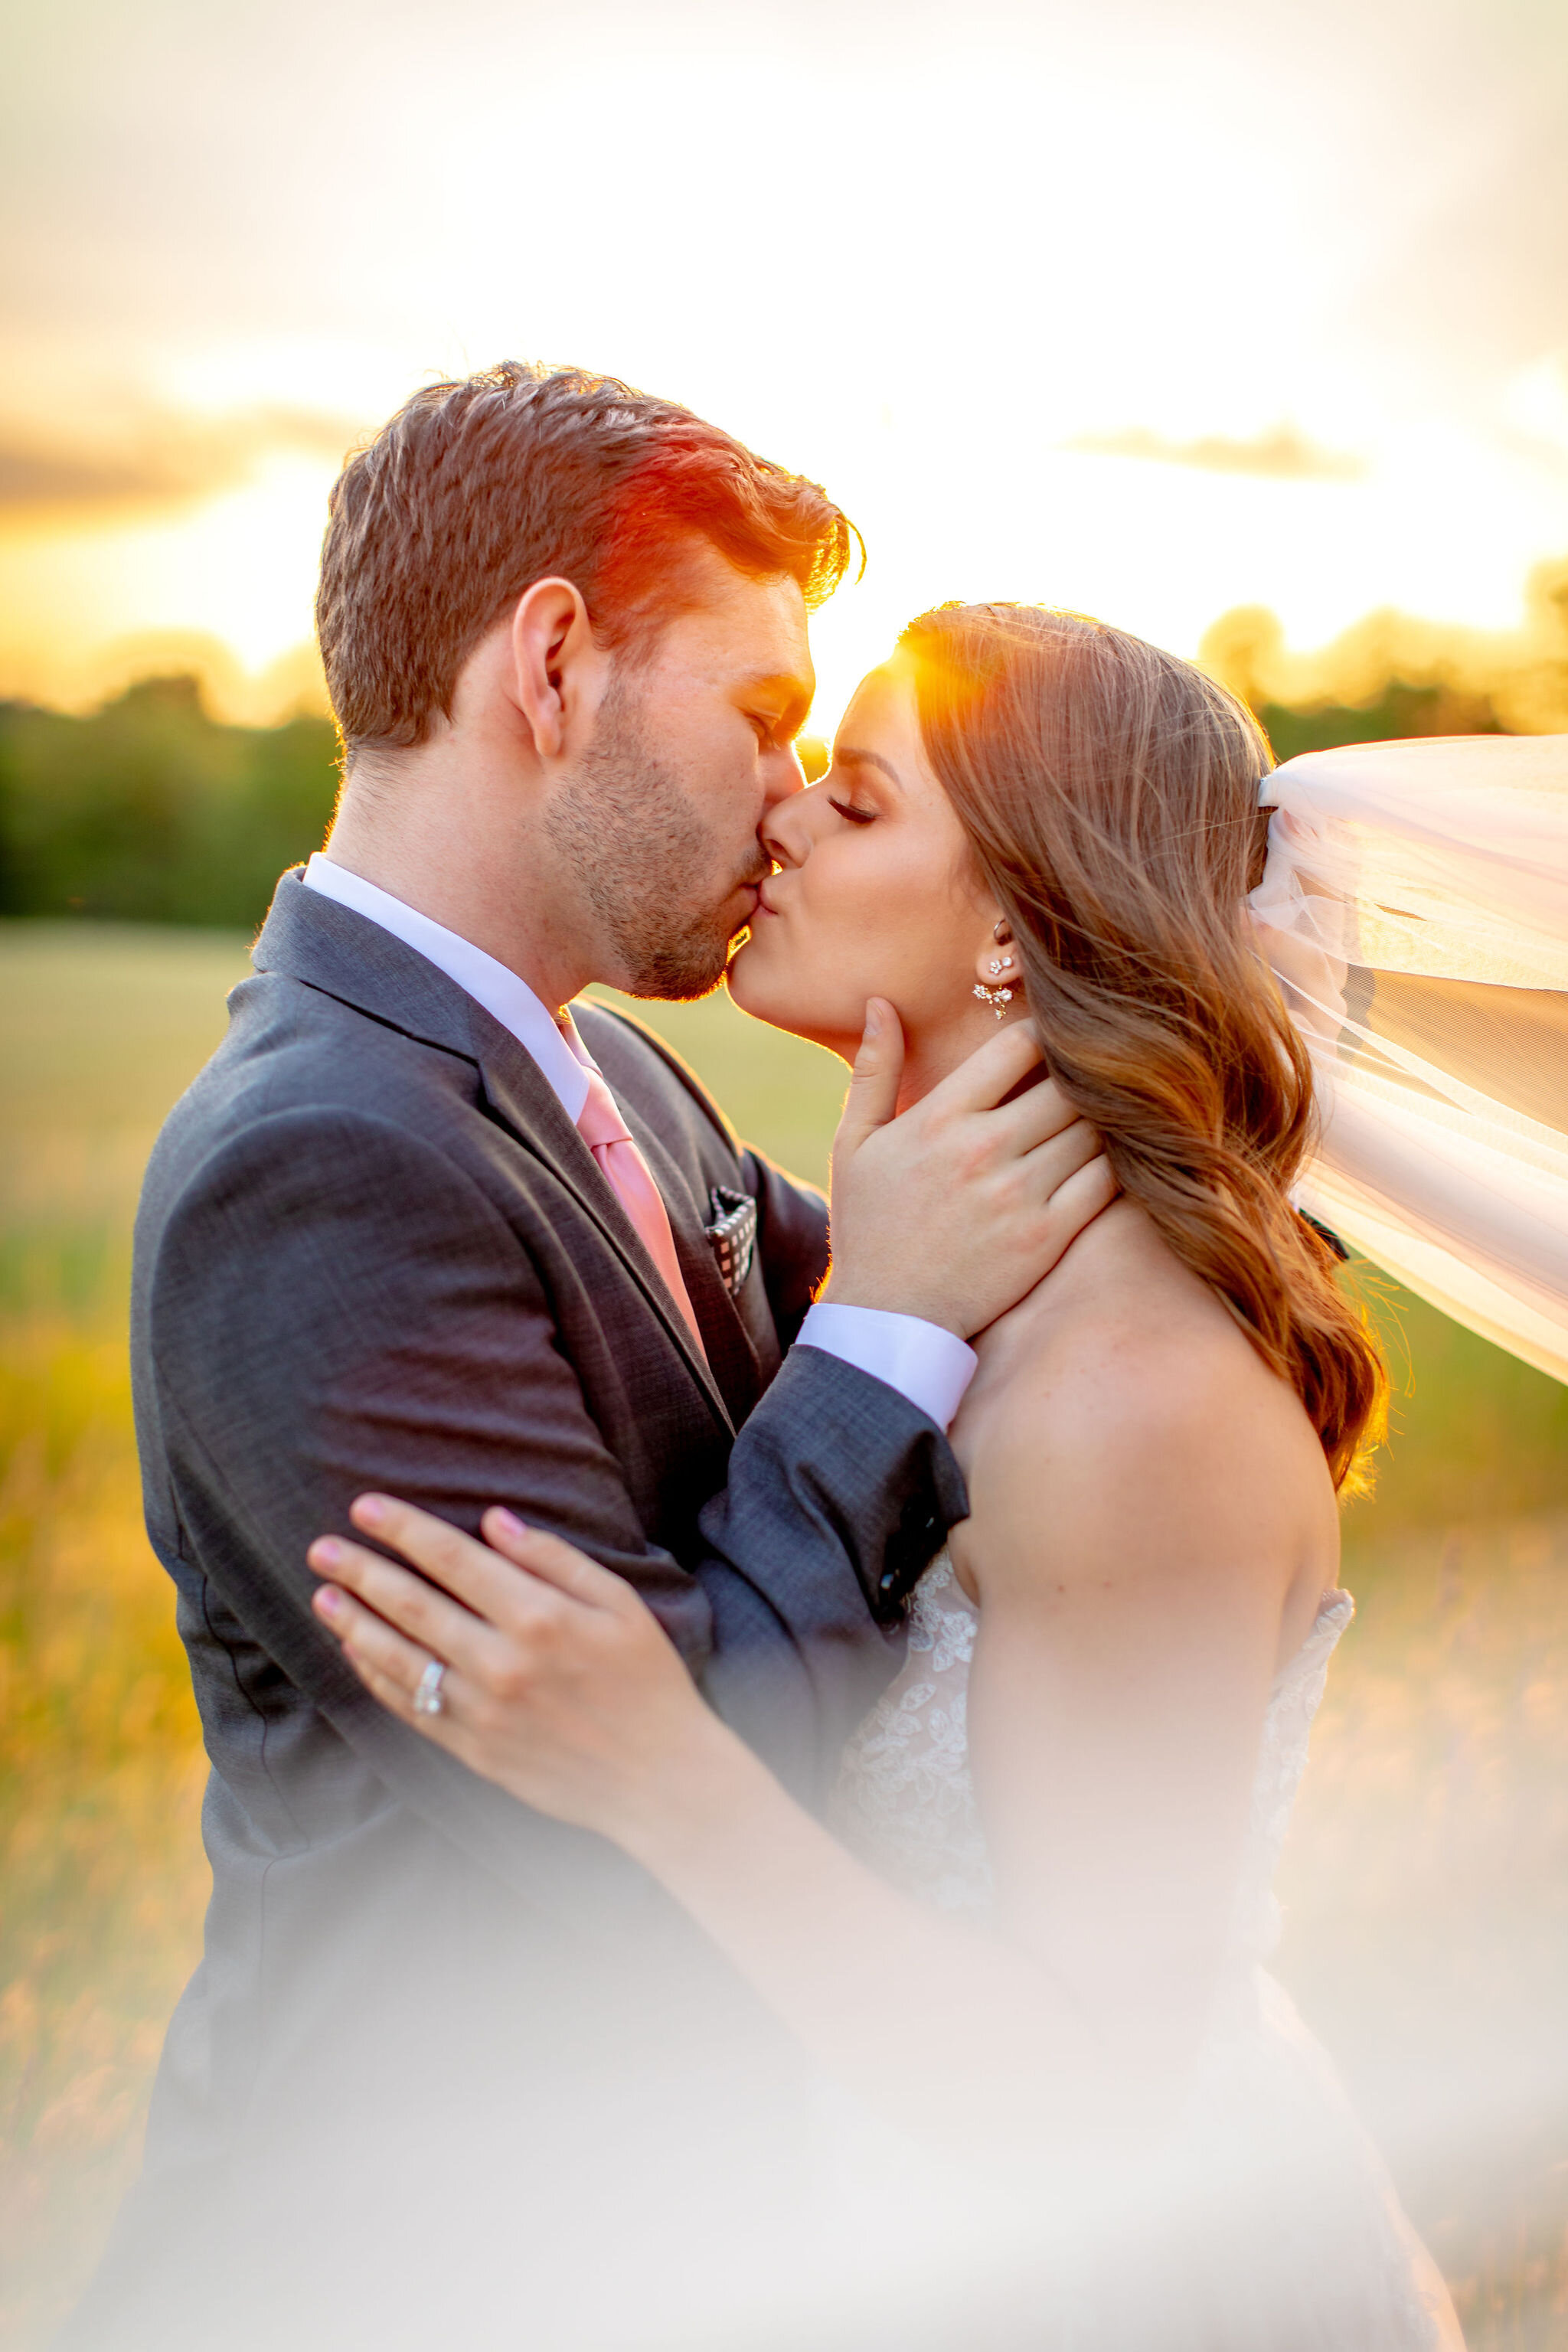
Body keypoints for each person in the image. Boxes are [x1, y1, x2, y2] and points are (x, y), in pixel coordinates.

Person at [74, 380, 1114, 2350]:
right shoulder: (314, 1173)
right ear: (552, 667)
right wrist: (884, 1316)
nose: (787, 797)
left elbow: (982, 1306)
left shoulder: (613, 1067)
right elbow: (641, 1802)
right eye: (761, 717)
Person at [311, 606, 1472, 2348]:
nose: (777, 815)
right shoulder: (949, 1297)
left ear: (1011, 925)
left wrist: (669, 1779)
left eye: (854, 801)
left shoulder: (1124, 1407)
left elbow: (1098, 2099)